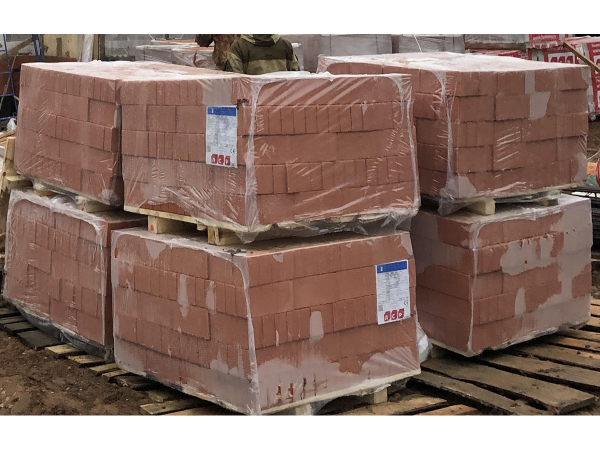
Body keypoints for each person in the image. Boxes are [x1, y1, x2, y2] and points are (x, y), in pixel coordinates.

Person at [223, 34, 299, 75]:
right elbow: (297, 81)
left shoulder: (238, 48)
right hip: (283, 99)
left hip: (251, 99)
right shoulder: (285, 46)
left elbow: (234, 86)